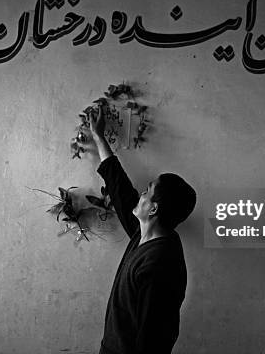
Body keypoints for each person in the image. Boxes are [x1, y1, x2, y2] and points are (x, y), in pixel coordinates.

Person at [85, 105, 196, 354]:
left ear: (153, 209)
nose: (140, 195)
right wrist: (99, 136)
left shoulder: (159, 266)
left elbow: (154, 339)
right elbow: (119, 186)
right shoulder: (144, 232)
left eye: (146, 191)